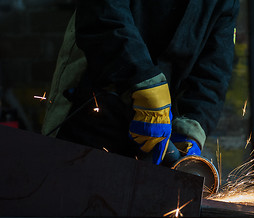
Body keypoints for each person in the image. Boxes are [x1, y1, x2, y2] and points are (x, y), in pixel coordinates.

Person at [42, 0, 240, 166]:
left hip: (163, 123)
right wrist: (142, 79)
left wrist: (193, 124)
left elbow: (215, 65)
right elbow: (103, 13)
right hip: (95, 102)